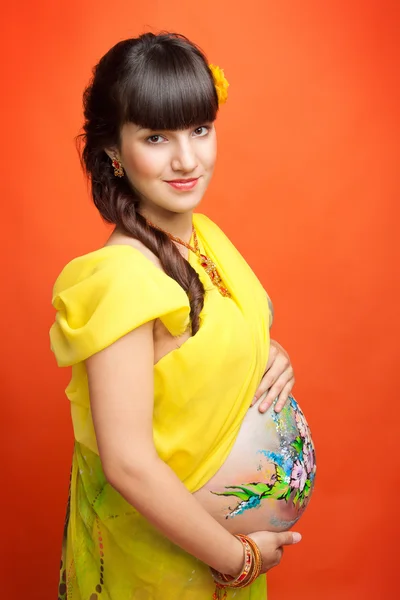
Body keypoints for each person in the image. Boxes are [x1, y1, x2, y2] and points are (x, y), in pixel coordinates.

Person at [50, 32, 304, 600]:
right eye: (157, 137)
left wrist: (269, 355)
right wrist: (237, 558)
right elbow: (128, 463)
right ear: (114, 150)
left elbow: (202, 352)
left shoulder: (205, 237)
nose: (187, 159)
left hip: (223, 555)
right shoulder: (120, 279)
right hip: (163, 570)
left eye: (200, 130)